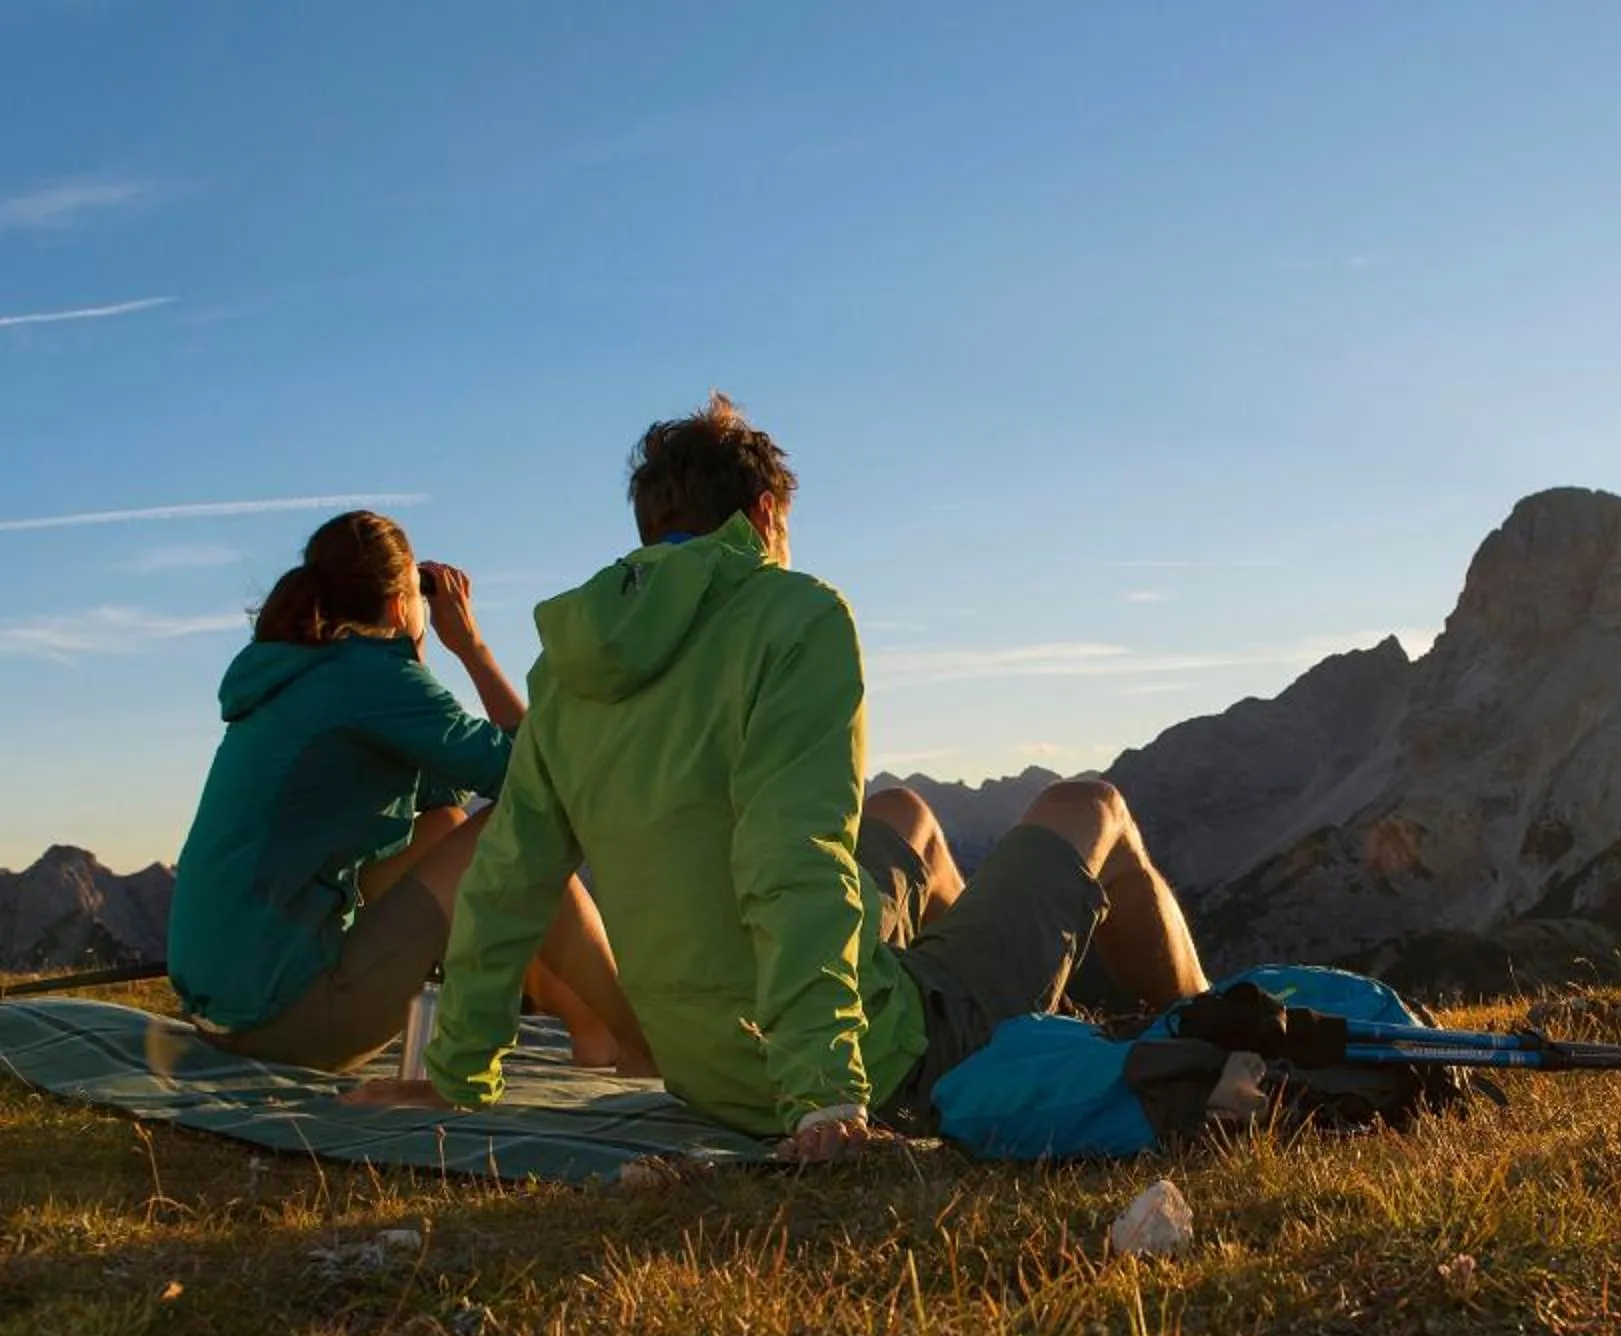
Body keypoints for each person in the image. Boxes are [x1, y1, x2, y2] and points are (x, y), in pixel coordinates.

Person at [345, 395, 1210, 1158]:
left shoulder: (572, 671)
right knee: (1091, 808)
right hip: (859, 1067)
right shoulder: (795, 614)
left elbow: (508, 879)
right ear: (764, 516)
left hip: (709, 1071)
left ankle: (957, 994)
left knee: (904, 813)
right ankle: (1211, 1026)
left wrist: (458, 1071)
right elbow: (789, 854)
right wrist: (823, 1094)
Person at [168, 511, 654, 1074]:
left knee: (442, 827)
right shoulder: (370, 678)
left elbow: (442, 794)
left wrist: (414, 662)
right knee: (517, 824)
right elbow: (541, 782)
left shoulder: (309, 672)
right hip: (292, 1020)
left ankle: (595, 1034)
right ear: (402, 604)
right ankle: (639, 1041)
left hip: (231, 1016)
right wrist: (470, 648)